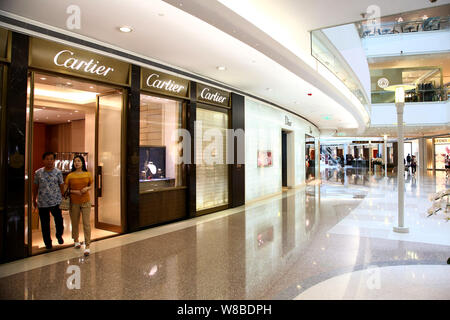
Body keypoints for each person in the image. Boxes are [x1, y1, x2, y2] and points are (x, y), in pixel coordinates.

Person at [33, 152, 65, 249]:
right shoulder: (38, 173)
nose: (49, 161)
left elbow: (61, 185)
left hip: (56, 201)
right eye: (47, 159)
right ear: (43, 160)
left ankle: (59, 235)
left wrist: (62, 198)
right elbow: (35, 186)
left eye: (51, 159)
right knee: (44, 223)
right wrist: (34, 199)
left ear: (54, 160)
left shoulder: (58, 172)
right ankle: (48, 243)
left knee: (59, 220)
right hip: (43, 202)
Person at [65, 155, 93, 256]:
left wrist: (87, 189)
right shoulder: (70, 176)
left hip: (86, 201)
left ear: (82, 163)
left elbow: (91, 185)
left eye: (79, 161)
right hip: (74, 202)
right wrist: (75, 191)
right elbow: (66, 190)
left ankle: (88, 245)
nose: (76, 163)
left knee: (86, 223)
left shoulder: (88, 174)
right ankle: (76, 240)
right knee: (75, 222)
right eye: (75, 161)